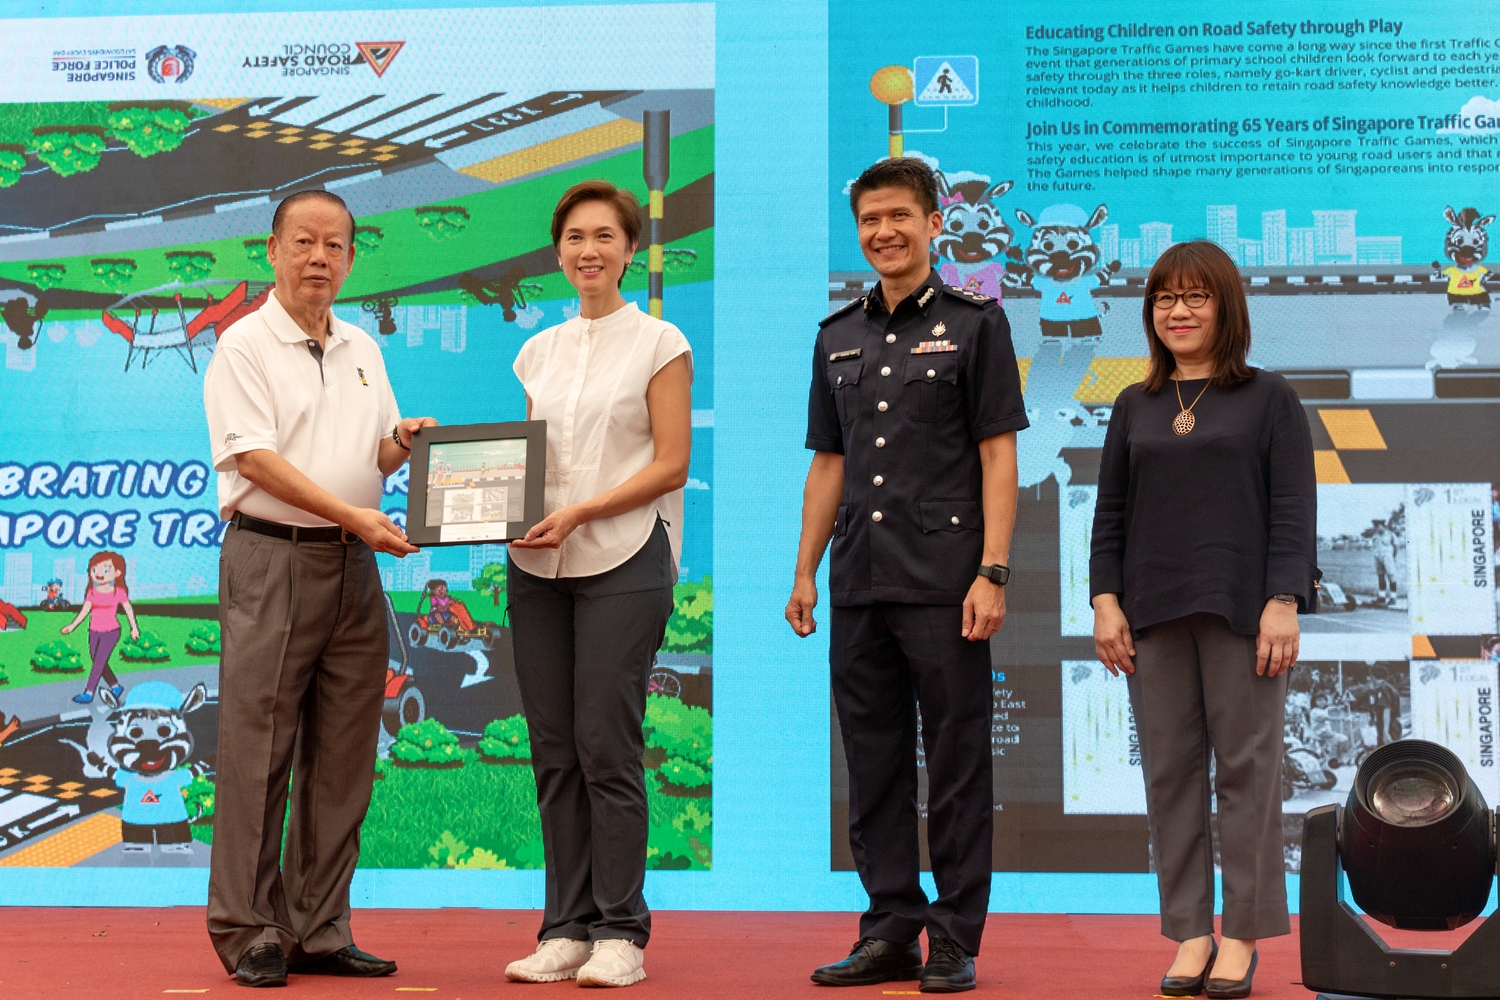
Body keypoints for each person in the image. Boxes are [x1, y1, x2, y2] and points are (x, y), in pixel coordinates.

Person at [786, 157, 1026, 993]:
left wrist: (992, 570)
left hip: (946, 581)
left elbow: (1000, 456)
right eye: (868, 221)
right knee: (874, 763)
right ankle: (889, 928)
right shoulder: (836, 334)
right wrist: (805, 571)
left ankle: (956, 935)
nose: (882, 232)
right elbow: (828, 465)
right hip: (859, 582)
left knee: (957, 763)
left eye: (898, 216)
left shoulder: (974, 324)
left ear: (932, 223)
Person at [202, 189, 437, 988]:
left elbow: (373, 457)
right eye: (303, 242)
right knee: (258, 753)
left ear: (351, 257)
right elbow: (257, 461)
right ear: (271, 250)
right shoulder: (243, 346)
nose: (318, 259)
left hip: (354, 569)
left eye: (335, 246)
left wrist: (403, 445)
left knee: (344, 755)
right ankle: (249, 930)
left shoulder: (363, 346)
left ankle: (319, 927)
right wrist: (354, 516)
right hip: (274, 559)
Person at [1090, 240, 1318, 1000]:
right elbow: (1111, 514)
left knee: (1248, 776)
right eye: (1163, 299)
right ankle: (1190, 932)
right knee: (1170, 776)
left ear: (1227, 307)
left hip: (1241, 615)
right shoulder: (1135, 404)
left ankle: (1243, 936)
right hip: (1151, 615)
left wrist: (1283, 599)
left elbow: (1292, 509)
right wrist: (1104, 600)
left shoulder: (1268, 399)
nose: (1177, 312)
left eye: (1195, 297)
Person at [502, 179, 692, 989]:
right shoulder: (536, 351)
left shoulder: (660, 342)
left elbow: (671, 462)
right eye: (575, 237)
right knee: (553, 752)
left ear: (630, 248)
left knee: (605, 747)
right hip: (536, 567)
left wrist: (581, 512)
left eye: (605, 237)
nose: (589, 251)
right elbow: (521, 464)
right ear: (559, 251)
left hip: (623, 557)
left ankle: (621, 931)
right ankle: (565, 929)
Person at [60, 552, 138, 704]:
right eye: (95, 570)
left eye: (106, 570)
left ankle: (88, 693)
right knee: (98, 661)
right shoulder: (91, 592)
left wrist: (134, 628)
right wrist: (72, 626)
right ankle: (115, 686)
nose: (99, 574)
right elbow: (85, 610)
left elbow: (128, 609)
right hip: (94, 631)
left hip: (111, 631)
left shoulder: (118, 592)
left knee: (98, 663)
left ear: (117, 573)